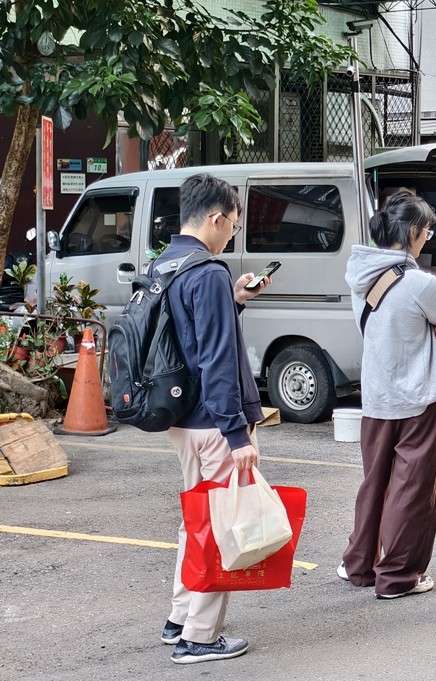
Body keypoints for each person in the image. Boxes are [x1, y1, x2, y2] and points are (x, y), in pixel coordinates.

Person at [156, 173, 268, 665]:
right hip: (213, 425)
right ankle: (199, 637)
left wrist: (235, 302)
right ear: (216, 218)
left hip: (181, 418)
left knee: (196, 521)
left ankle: (179, 617)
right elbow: (219, 360)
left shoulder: (167, 264)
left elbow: (189, 341)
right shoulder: (209, 272)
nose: (231, 236)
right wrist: (237, 432)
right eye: (232, 227)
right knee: (223, 526)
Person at [338, 192, 436, 599]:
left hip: (376, 397)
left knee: (376, 482)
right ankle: (398, 576)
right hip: (417, 397)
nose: (427, 238)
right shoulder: (421, 284)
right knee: (413, 489)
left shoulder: (359, 276)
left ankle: (358, 564)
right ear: (411, 232)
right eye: (426, 231)